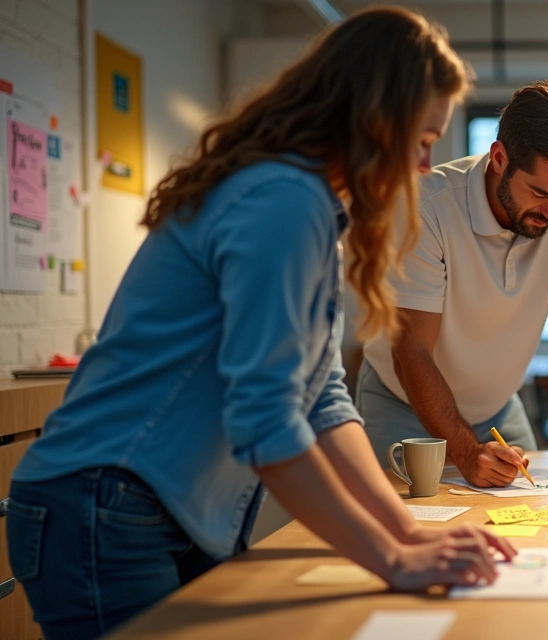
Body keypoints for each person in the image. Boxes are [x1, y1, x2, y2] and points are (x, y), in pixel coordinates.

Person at [4, 9, 515, 639]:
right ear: (375, 120)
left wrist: (408, 529)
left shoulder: (310, 208)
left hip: (148, 507)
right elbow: (266, 420)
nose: (422, 168)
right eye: (422, 142)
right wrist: (392, 559)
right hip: (103, 504)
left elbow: (324, 400)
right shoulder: (281, 201)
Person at [358, 81, 548, 488]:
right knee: (402, 533)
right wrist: (465, 452)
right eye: (540, 193)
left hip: (498, 410)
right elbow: (411, 349)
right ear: (500, 157)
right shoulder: (426, 209)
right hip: (403, 404)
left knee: (531, 522)